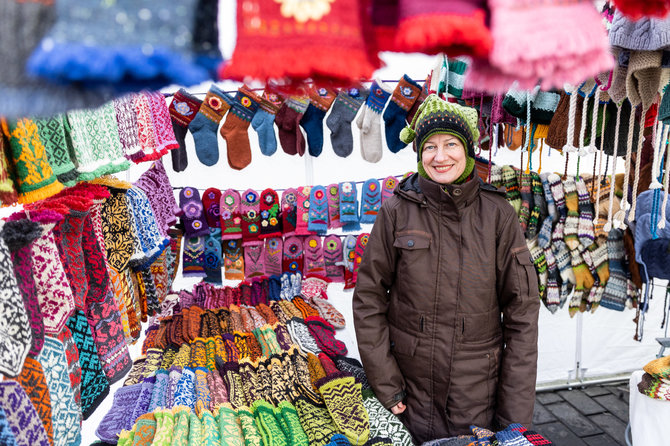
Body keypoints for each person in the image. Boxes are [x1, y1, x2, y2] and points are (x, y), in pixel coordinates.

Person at [353, 94, 540, 443]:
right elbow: (368, 300)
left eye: (450, 144)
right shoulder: (396, 211)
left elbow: (522, 317)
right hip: (407, 396)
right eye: (430, 147)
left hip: (476, 398)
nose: (440, 157)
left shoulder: (498, 214)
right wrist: (387, 385)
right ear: (420, 154)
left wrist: (514, 418)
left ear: (467, 150)